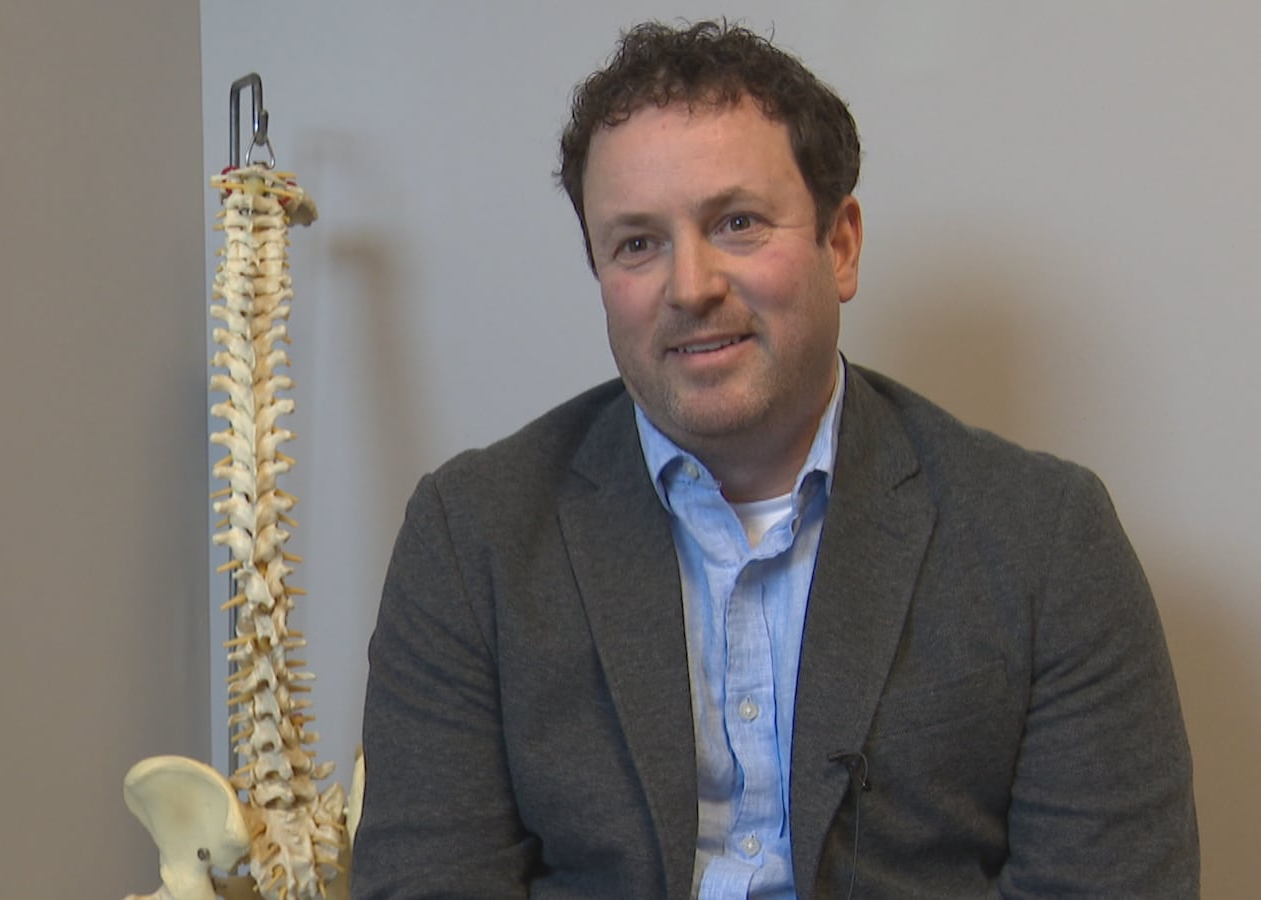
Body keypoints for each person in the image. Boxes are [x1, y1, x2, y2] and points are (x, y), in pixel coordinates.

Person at [351, 20, 1198, 899]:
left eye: (738, 223)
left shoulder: (1046, 541)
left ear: (842, 246)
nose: (691, 287)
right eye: (637, 243)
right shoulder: (472, 538)